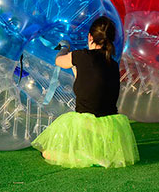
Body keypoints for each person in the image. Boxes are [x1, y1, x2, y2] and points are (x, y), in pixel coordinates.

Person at [31, 16, 139, 168]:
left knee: (47, 152)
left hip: (85, 123)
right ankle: (95, 154)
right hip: (110, 126)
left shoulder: (81, 56)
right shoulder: (113, 64)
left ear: (90, 37)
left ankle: (83, 157)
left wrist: (64, 47)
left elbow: (59, 61)